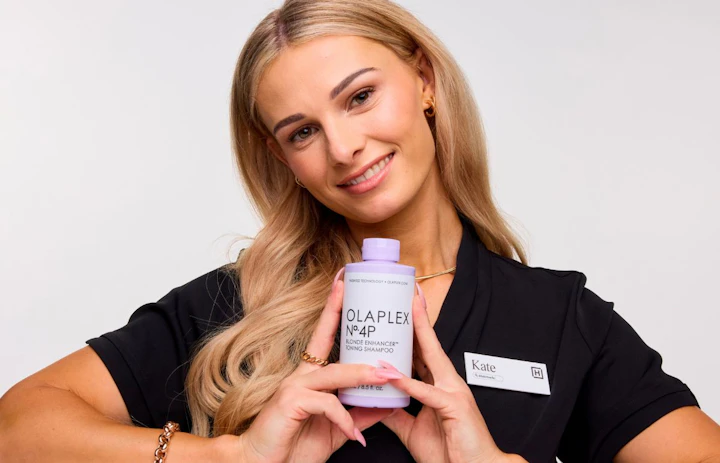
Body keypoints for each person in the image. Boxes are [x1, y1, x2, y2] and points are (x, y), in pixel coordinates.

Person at [1, 0, 719, 461]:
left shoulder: (561, 318)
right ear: (282, 158)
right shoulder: (238, 306)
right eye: (302, 131)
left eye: (360, 96)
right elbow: (18, 428)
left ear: (425, 80)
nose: (343, 147)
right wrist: (229, 458)